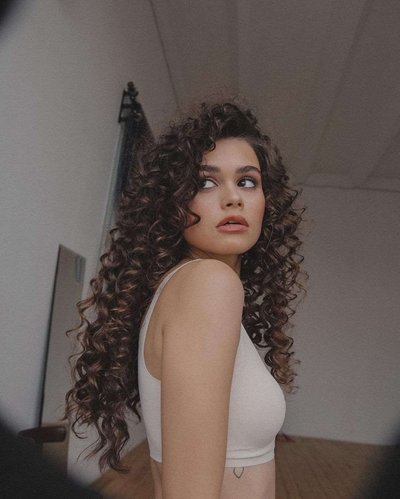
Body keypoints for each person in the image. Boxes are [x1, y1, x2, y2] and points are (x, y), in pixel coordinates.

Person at [64, 99, 307, 499]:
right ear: (173, 203)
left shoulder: (187, 287)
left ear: (268, 200)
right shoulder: (208, 284)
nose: (233, 198)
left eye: (247, 182)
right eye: (206, 183)